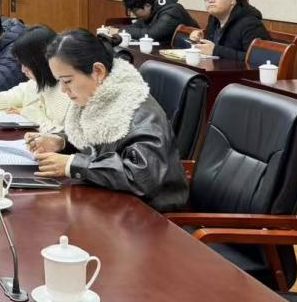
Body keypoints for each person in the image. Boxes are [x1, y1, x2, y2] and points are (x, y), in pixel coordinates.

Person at [27, 30, 187, 212]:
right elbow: (96, 140)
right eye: (60, 82)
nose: (63, 90)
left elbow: (141, 177)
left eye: (67, 81)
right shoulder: (99, 98)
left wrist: (72, 165)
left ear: (98, 71)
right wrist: (61, 142)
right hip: (112, 202)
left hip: (148, 214)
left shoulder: (137, 112)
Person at [0, 25, 70, 133]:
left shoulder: (67, 93)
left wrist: (29, 113)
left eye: (27, 64)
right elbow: (16, 94)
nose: (23, 70)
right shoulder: (36, 82)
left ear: (41, 62)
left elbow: (61, 134)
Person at [188, 0, 270, 63]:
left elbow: (260, 58)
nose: (210, 0)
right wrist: (201, 39)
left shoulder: (250, 23)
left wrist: (216, 51)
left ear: (232, 0)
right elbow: (211, 48)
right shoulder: (213, 18)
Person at [99, 0, 195, 47]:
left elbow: (151, 35)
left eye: (134, 10)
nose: (133, 14)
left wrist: (119, 31)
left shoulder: (171, 12)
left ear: (147, 6)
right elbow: (135, 27)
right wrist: (119, 31)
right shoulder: (151, 9)